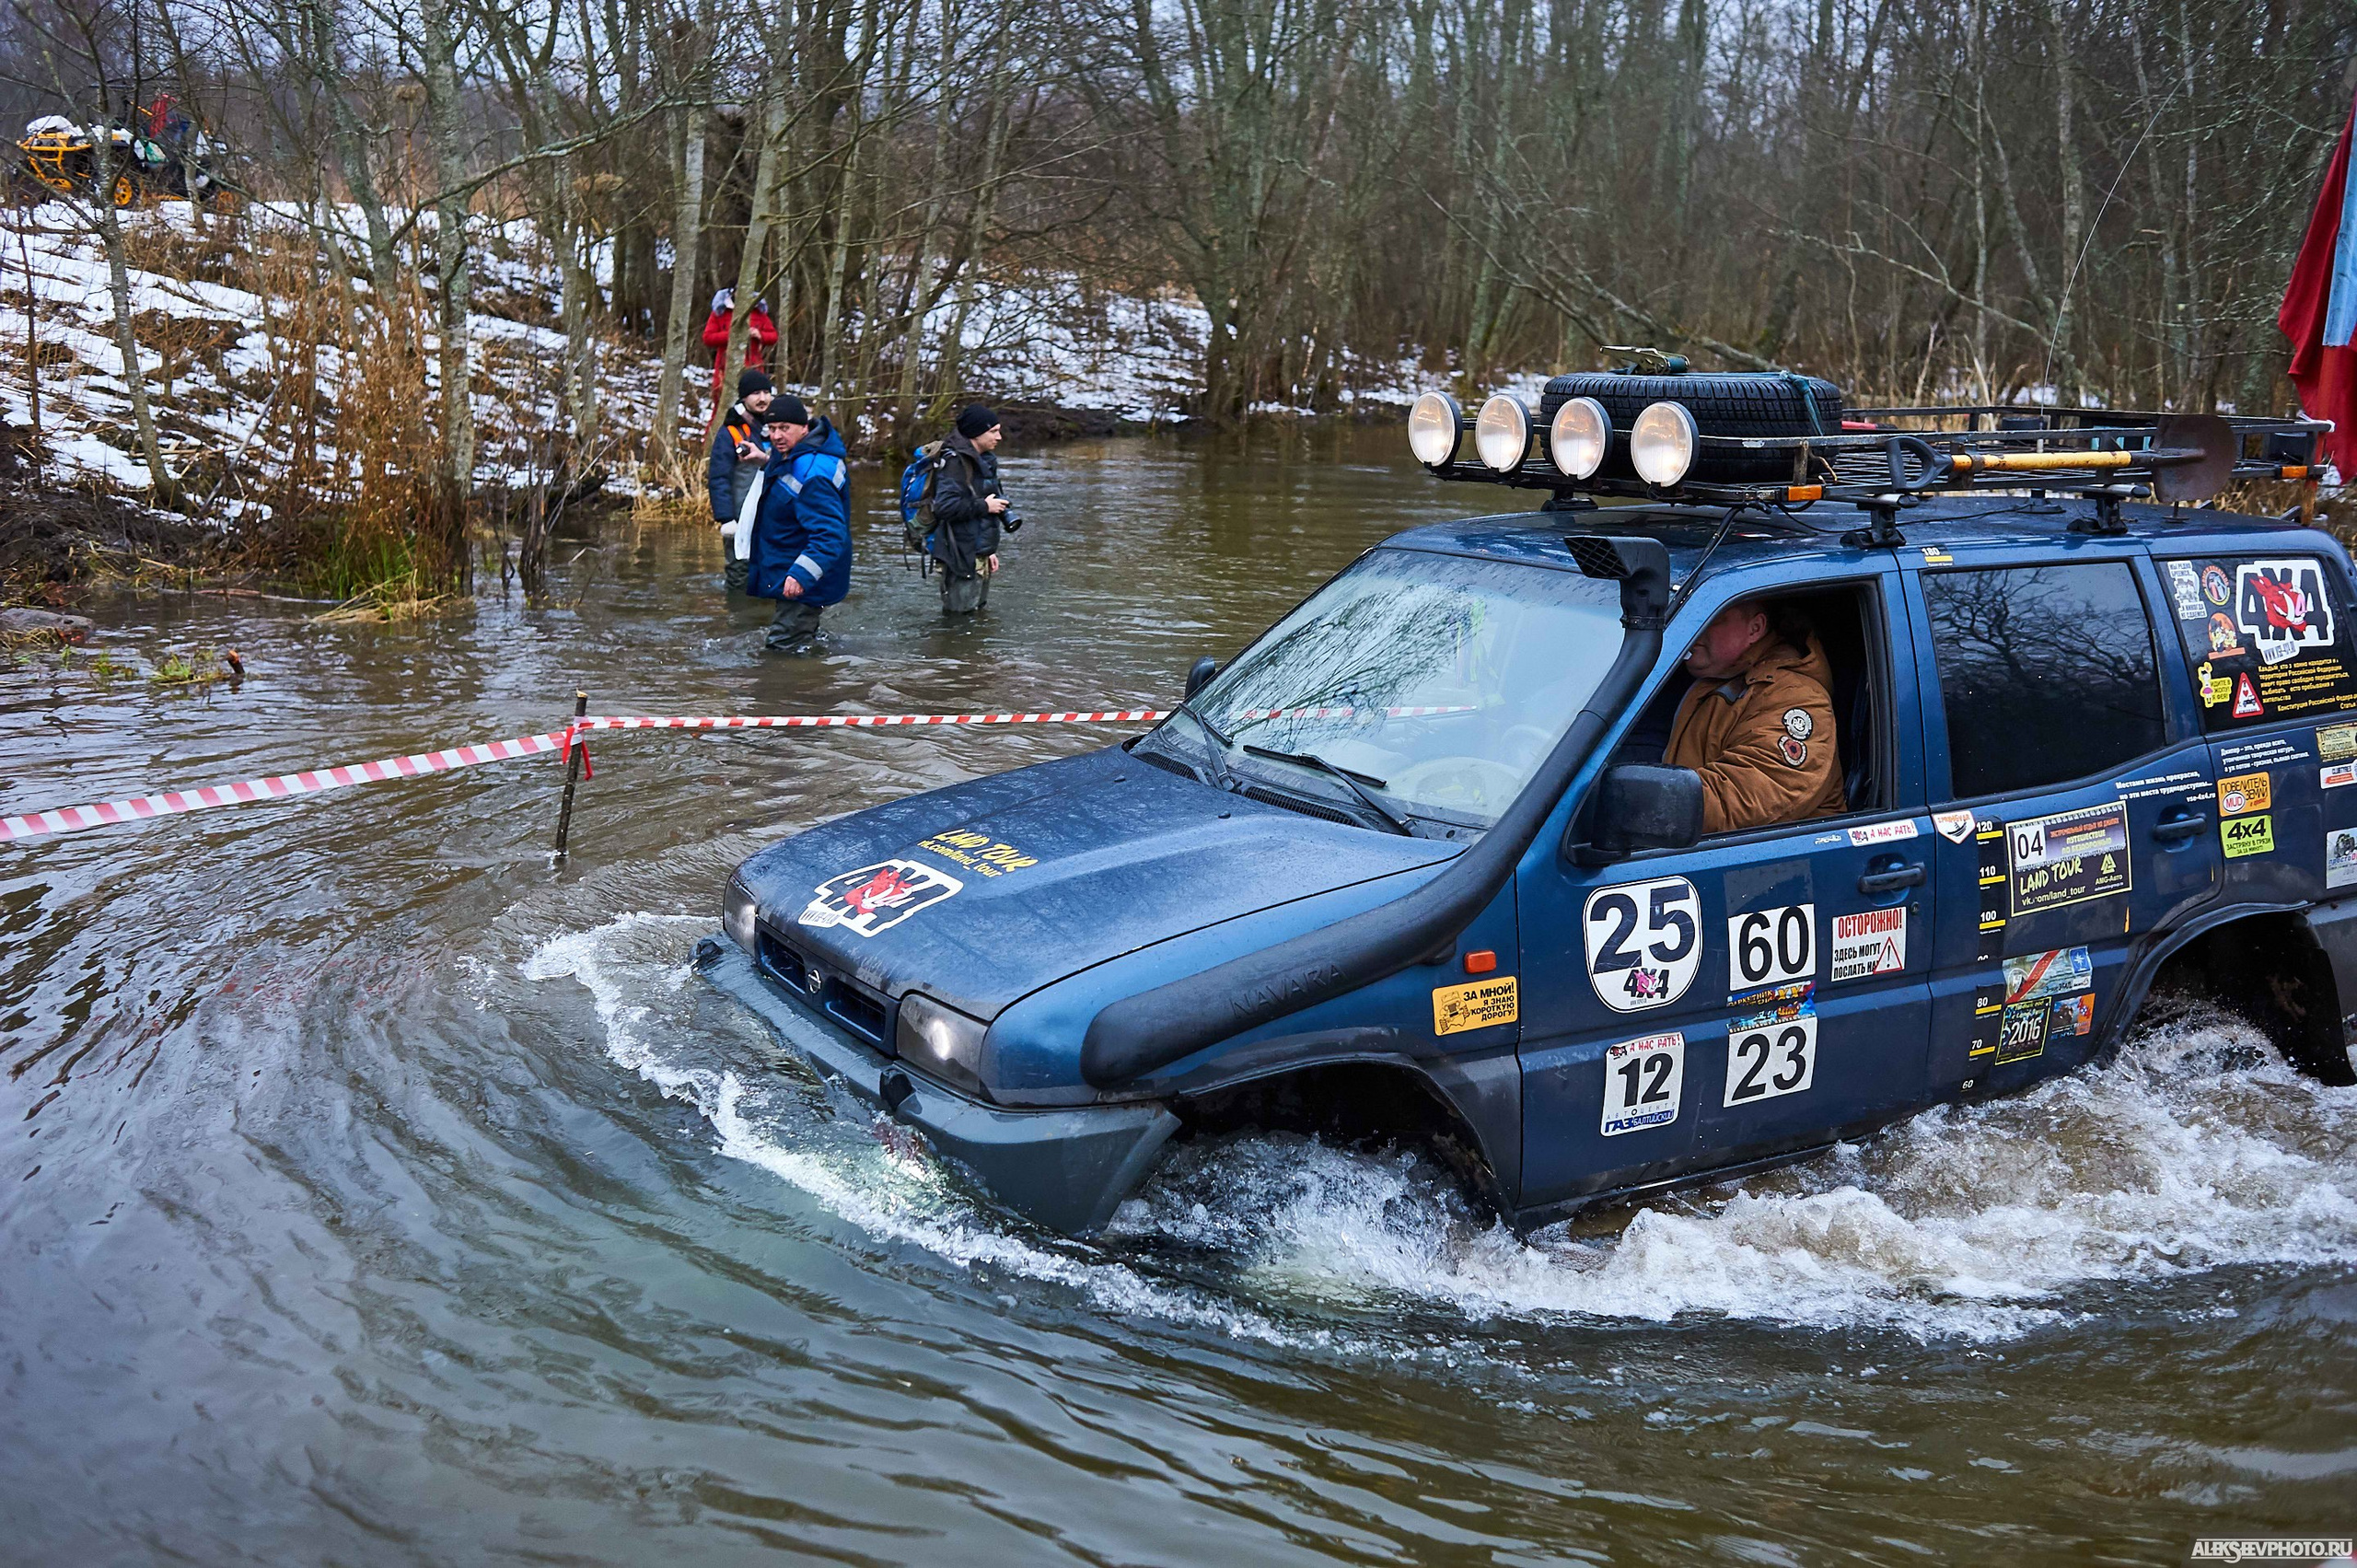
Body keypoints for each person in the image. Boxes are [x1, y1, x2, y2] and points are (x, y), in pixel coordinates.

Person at [1663, 598, 1843, 833]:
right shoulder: (1699, 677)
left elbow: (1743, 800)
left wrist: (1646, 802)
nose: (1692, 627)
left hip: (1769, 864)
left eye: (1710, 617)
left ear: (1755, 628)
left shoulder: (1795, 696)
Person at [747, 397, 851, 652]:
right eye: (772, 429)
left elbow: (830, 535)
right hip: (791, 568)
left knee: (781, 651)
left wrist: (802, 574)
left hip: (802, 576)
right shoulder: (794, 455)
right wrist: (765, 459)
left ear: (804, 428)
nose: (777, 435)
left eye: (785, 428)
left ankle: (794, 690)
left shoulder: (813, 473)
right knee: (800, 642)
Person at [928, 403, 1007, 614]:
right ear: (975, 433)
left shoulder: (984, 460)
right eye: (993, 431)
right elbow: (944, 507)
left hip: (976, 552)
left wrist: (988, 550)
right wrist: (985, 506)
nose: (999, 437)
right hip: (958, 554)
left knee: (976, 616)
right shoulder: (954, 463)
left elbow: (979, 506)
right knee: (959, 621)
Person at [708, 371, 774, 592]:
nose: (763, 398)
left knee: (770, 572)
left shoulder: (777, 429)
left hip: (772, 516)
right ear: (744, 398)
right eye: (756, 393)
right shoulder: (730, 432)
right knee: (739, 573)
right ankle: (739, 620)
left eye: (766, 392)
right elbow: (719, 477)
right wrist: (726, 518)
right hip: (739, 518)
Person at [702, 288, 778, 409]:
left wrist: (759, 335)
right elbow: (708, 337)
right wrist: (733, 335)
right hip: (725, 369)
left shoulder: (758, 312)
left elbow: (773, 336)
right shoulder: (720, 312)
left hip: (754, 368)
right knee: (721, 409)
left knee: (754, 408)